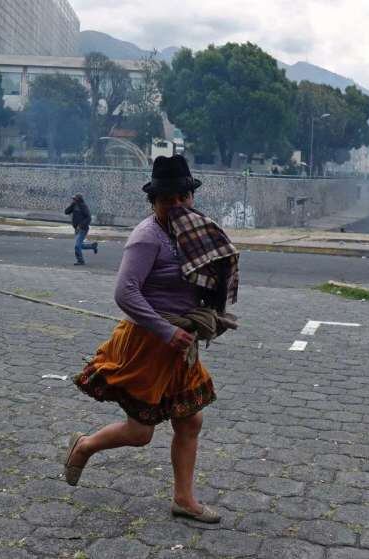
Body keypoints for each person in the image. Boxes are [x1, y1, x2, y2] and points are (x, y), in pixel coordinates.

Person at [65, 155, 239, 524]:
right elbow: (126, 294)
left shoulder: (192, 234)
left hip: (180, 343)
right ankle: (85, 445)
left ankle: (184, 499)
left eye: (182, 197)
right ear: (154, 202)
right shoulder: (146, 237)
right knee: (141, 431)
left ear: (190, 197)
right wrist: (166, 330)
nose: (176, 205)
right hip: (149, 341)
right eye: (166, 200)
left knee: (190, 422)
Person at [64, 194, 98, 265]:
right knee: (80, 245)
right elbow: (66, 212)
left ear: (78, 200)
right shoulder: (74, 205)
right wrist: (71, 205)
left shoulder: (83, 206)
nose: (73, 200)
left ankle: (80, 260)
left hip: (83, 229)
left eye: (74, 199)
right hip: (76, 229)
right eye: (73, 199)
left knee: (77, 246)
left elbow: (88, 218)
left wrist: (81, 225)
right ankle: (93, 246)